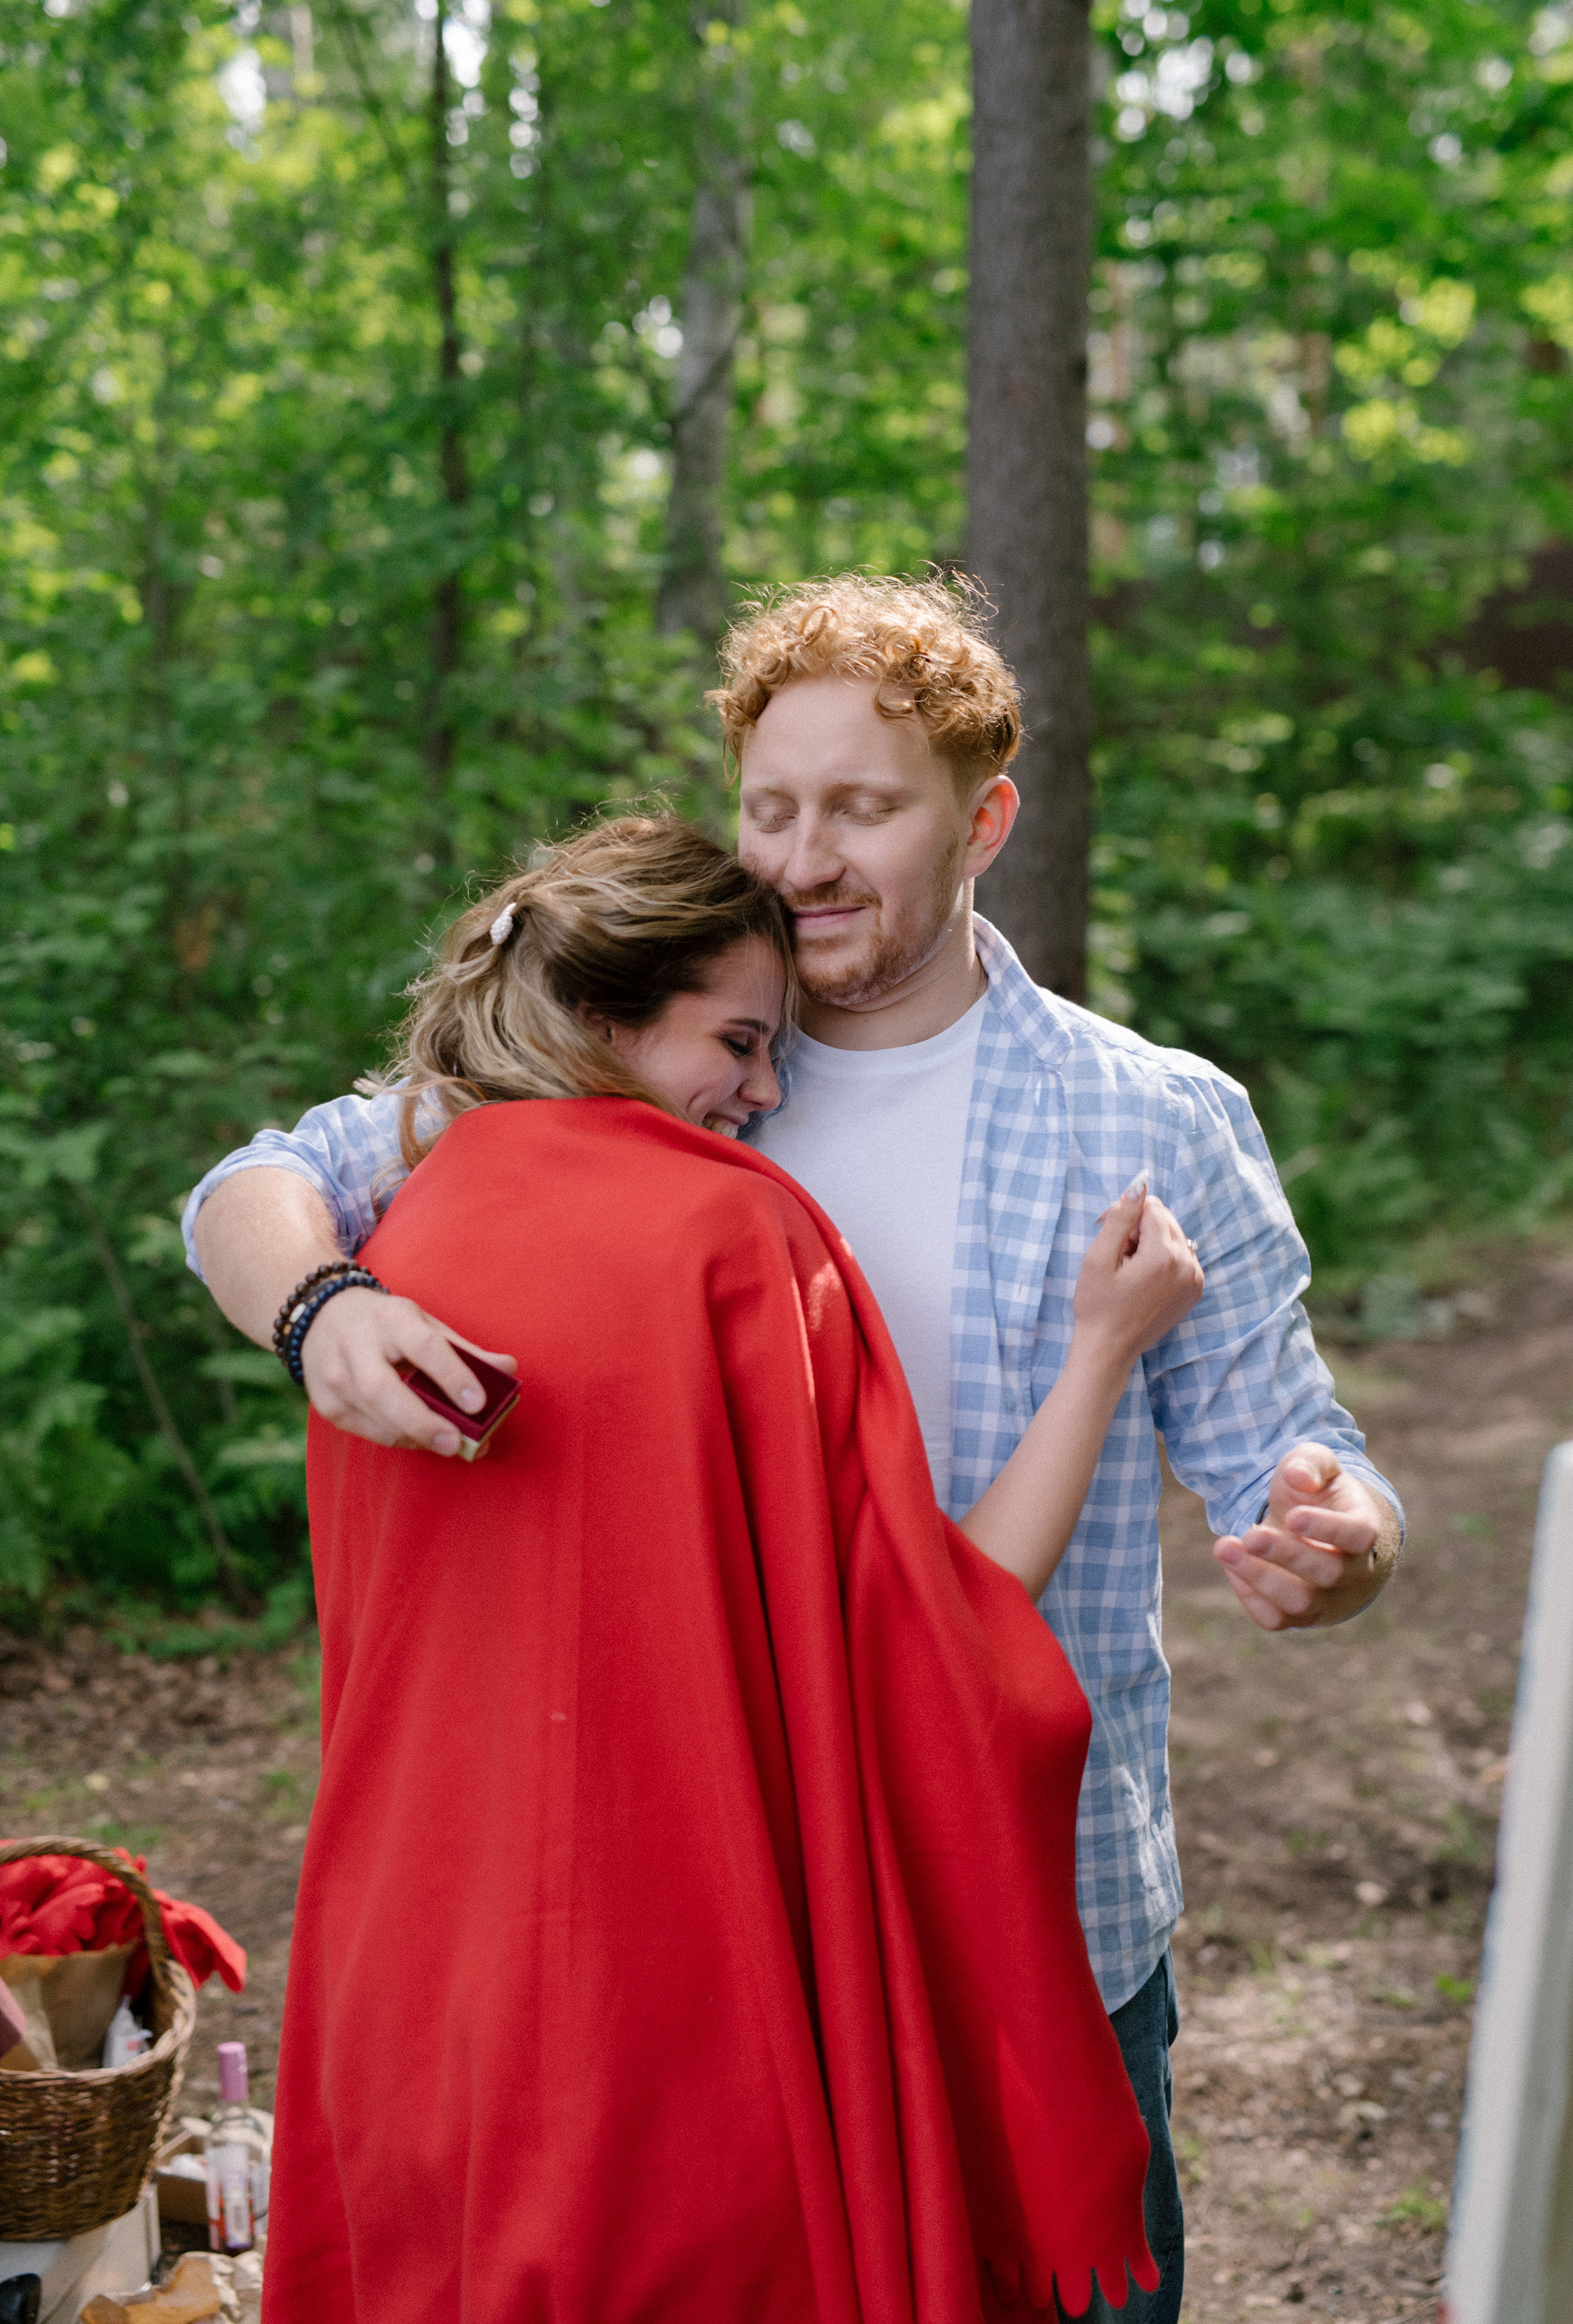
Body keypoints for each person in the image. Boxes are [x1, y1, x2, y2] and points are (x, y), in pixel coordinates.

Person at [189, 574, 1404, 2324]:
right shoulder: (632, 1057)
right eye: (772, 807)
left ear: (983, 820)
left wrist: (1337, 1534)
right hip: (725, 1948)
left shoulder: (1149, 1113)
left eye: (862, 809)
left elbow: (1291, 1449)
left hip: (1034, 1909)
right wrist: (320, 1309)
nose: (804, 859)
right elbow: (250, 1190)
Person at [262, 816, 1204, 2324]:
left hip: (411, 1961)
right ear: (603, 1017)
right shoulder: (730, 1230)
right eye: (742, 1044)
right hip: (668, 1982)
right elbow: (933, 1634)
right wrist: (1101, 1356)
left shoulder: (383, 1248)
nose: (765, 1093)